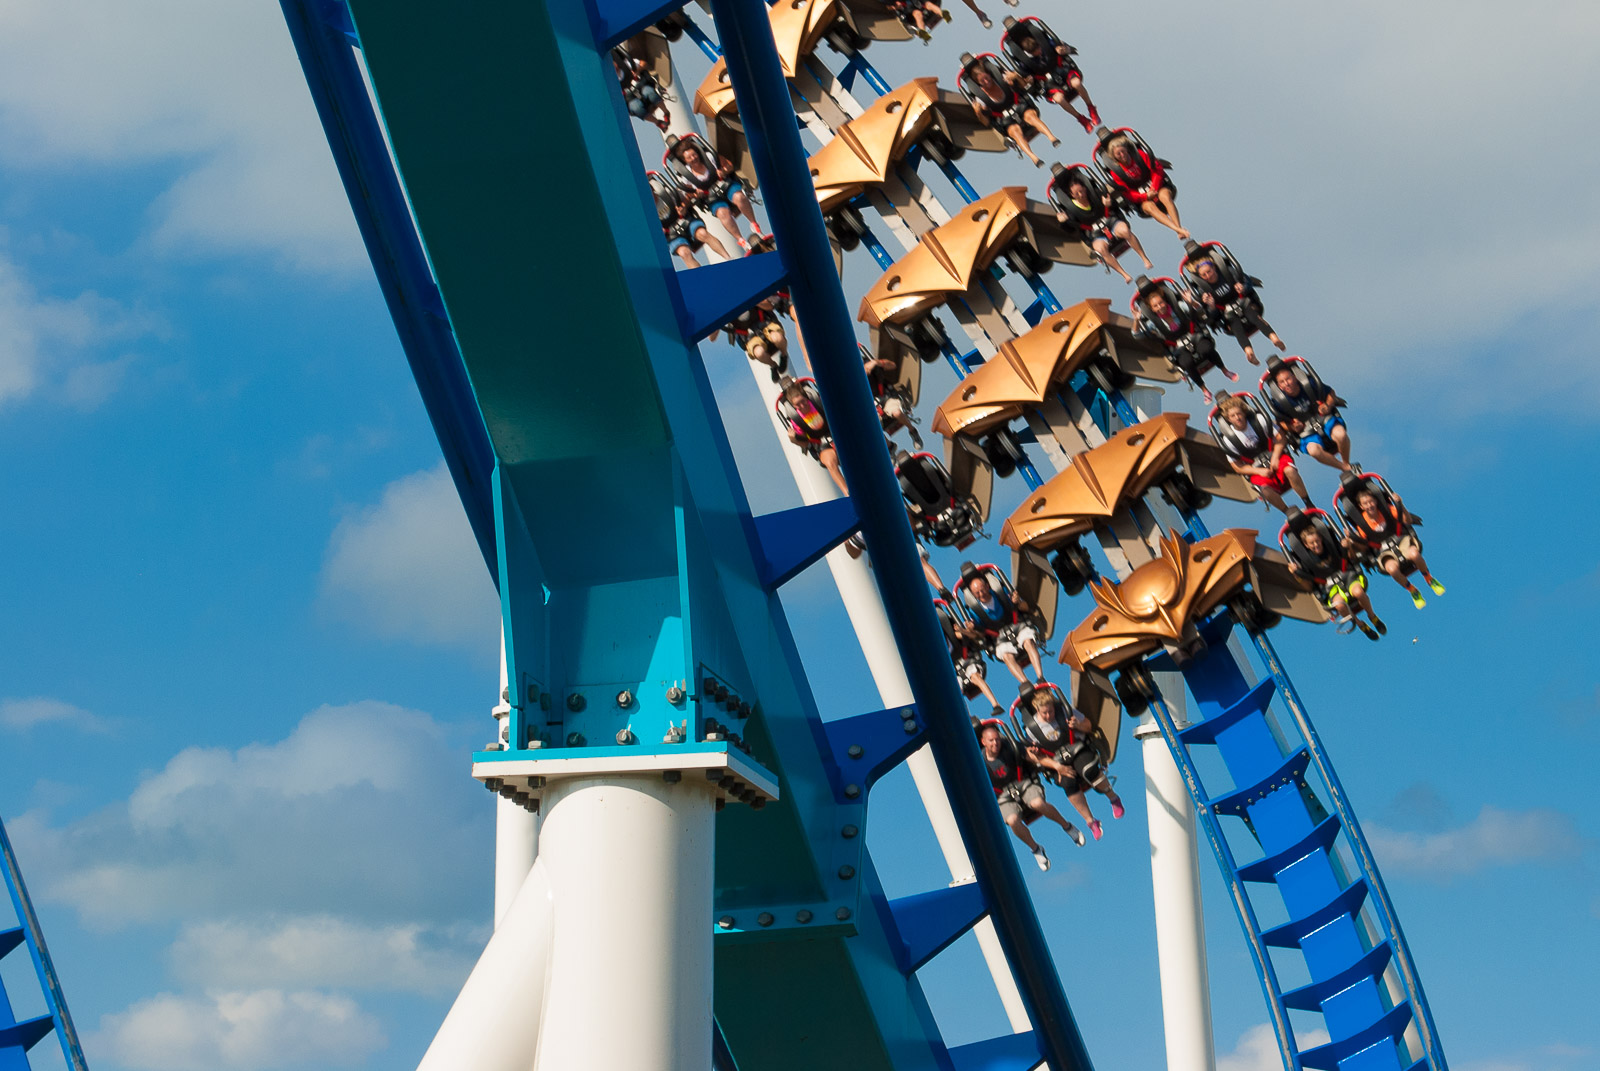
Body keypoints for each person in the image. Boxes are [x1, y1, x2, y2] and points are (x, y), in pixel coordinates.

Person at [1016, 684, 1125, 840]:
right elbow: (1036, 759)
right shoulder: (1031, 730)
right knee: (1068, 783)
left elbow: (1088, 725)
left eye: (1051, 711)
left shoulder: (1064, 710)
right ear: (1037, 709)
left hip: (1077, 749)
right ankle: (1091, 821)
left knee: (1089, 770)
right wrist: (1055, 765)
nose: (1049, 716)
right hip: (1057, 761)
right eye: (1045, 713)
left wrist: (1078, 725)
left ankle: (1113, 797)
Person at [979, 721, 1084, 871]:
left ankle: (1067, 826)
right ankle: (1036, 849)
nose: (996, 743)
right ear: (983, 742)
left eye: (997, 739)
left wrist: (1057, 766)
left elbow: (1032, 757)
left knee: (1037, 804)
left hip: (1024, 783)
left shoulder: (1009, 746)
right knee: (1013, 820)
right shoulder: (980, 762)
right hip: (1003, 795)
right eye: (991, 740)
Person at [1338, 475, 1444, 609]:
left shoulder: (1387, 509)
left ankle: (1429, 578)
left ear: (1376, 501)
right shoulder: (1362, 523)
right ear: (1361, 506)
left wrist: (1400, 504)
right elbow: (1364, 547)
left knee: (1414, 554)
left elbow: (1407, 520)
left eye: (1371, 502)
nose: (1370, 505)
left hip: (1401, 539)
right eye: (1365, 504)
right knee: (1392, 569)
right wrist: (1352, 540)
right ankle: (1412, 590)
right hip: (1383, 550)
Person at [1280, 509, 1385, 639]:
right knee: (1340, 605)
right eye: (1312, 543)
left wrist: (1348, 546)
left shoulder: (1331, 545)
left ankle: (1372, 616)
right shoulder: (1304, 559)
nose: (1316, 545)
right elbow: (1309, 587)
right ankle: (1360, 624)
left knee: (1358, 593)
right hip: (1329, 588)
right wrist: (1296, 575)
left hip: (1347, 576)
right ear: (1306, 545)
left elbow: (1352, 558)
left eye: (1317, 541)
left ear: (1321, 539)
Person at [1131, 278, 1238, 401]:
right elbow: (1136, 335)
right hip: (1177, 346)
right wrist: (1137, 320)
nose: (1160, 307)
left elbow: (1199, 310)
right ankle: (1204, 390)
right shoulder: (1153, 323)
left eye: (1161, 303)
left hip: (1193, 335)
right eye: (1155, 306)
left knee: (1206, 349)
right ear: (1152, 309)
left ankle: (1225, 370)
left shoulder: (1178, 306)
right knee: (1186, 363)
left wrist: (1190, 302)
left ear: (1165, 301)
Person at [1178, 243, 1284, 365]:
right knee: (1236, 326)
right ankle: (1249, 352)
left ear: (1214, 267)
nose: (1208, 276)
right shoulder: (1203, 291)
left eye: (1209, 271)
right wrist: (1212, 306)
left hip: (1245, 302)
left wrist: (1242, 287)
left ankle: (1274, 338)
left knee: (1252, 315)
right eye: (1204, 275)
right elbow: (1211, 317)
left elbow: (1247, 281)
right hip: (1227, 312)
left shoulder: (1229, 272)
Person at [1047, 164, 1152, 283]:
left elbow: (1110, 199)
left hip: (1110, 220)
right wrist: (1063, 222)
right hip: (1093, 233)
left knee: (1125, 231)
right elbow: (1071, 229)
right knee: (1100, 249)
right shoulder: (1069, 210)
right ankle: (1124, 275)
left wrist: (1109, 202)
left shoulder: (1094, 193)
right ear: (1072, 196)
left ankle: (1145, 259)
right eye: (1077, 194)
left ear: (1085, 188)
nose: (1081, 195)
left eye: (1081, 191)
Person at [1213, 393, 1311, 514]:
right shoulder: (1228, 440)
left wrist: (1275, 456)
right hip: (1256, 468)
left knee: (1290, 471)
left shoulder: (1259, 420)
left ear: (1244, 412)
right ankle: (1288, 512)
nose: (1237, 418)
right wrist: (1258, 471)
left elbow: (1281, 437)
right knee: (1265, 491)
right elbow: (1236, 466)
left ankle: (1308, 503)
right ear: (1228, 419)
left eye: (1239, 414)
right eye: (1233, 416)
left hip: (1276, 455)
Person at [1000, 17, 1100, 132]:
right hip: (1047, 81)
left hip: (1062, 69)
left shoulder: (1042, 40)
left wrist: (1064, 50)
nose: (1039, 52)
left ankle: (1091, 107)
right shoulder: (1022, 59)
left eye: (1038, 48)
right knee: (1059, 99)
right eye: (1035, 52)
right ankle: (1081, 118)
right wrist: (1025, 79)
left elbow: (1063, 46)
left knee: (1076, 83)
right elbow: (1026, 78)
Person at [961, 55, 1059, 168]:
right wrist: (978, 112)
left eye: (986, 77)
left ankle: (1052, 137)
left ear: (989, 74)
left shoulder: (1002, 78)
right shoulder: (980, 98)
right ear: (978, 83)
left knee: (1030, 116)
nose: (986, 81)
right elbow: (986, 123)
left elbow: (1025, 86)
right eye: (982, 81)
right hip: (1004, 118)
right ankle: (1034, 158)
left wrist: (1016, 77)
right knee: (1015, 131)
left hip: (1018, 105)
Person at [666, 135, 760, 249]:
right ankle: (741, 240)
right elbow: (689, 195)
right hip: (711, 197)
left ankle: (754, 224)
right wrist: (696, 194)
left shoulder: (709, 157)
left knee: (739, 197)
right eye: (689, 158)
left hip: (726, 185)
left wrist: (724, 171)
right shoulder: (686, 177)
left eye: (694, 155)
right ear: (685, 161)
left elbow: (729, 165)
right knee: (722, 214)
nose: (693, 158)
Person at [1260, 357, 1351, 472]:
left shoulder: (1309, 383)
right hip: (1306, 432)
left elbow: (1330, 393)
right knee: (1313, 451)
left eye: (1288, 379)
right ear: (1279, 386)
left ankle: (1346, 462)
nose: (1287, 383)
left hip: (1324, 419)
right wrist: (1293, 427)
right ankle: (1344, 468)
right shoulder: (1279, 402)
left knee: (1341, 434)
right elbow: (1280, 423)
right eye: (1282, 382)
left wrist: (1327, 405)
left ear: (1294, 377)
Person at [960, 563, 1045, 684]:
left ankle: (1040, 677)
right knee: (1006, 656)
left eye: (982, 590)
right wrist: (971, 630)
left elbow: (1026, 608)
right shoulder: (975, 611)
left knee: (1028, 641)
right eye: (977, 593)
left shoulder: (1001, 592)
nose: (981, 594)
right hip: (998, 637)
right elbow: (980, 636)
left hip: (1017, 625)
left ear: (988, 586)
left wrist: (1018, 602)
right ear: (973, 595)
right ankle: (1025, 683)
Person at [1095, 127, 1186, 238]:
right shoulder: (1116, 173)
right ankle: (1176, 229)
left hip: (1157, 186)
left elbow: (1157, 169)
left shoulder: (1140, 155)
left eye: (1123, 152)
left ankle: (1179, 228)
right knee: (1149, 207)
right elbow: (1127, 193)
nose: (1123, 156)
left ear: (1127, 149)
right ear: (1114, 157)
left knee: (1165, 196)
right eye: (1119, 154)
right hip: (1142, 198)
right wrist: (1145, 196)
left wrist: (1154, 187)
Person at [776, 377, 848, 495]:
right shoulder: (795, 418)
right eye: (798, 405)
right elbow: (805, 442)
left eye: (803, 401)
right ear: (794, 407)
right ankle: (847, 493)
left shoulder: (816, 399)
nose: (803, 406)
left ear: (806, 397)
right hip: (820, 443)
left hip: (837, 432)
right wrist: (794, 439)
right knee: (829, 462)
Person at [939, 598, 1005, 717]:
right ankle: (965, 717)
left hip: (967, 660)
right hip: (953, 670)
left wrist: (963, 631)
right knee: (955, 689)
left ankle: (996, 704)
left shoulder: (953, 635)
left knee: (975, 676)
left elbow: (973, 637)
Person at [656, 176, 731, 269]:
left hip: (684, 220)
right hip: (670, 234)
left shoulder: (668, 192)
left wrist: (683, 207)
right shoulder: (644, 212)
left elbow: (687, 197)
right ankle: (703, 277)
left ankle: (729, 258)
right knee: (684, 253)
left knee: (702, 234)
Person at [863, 346, 921, 448]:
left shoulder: (866, 364)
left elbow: (893, 365)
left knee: (896, 412)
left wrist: (876, 363)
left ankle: (912, 431)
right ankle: (889, 447)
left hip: (885, 398)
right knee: (873, 425)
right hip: (870, 408)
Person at [612, 47, 671, 132]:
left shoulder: (626, 64)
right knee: (636, 107)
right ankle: (658, 122)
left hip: (641, 88)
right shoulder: (612, 81)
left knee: (649, 92)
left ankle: (666, 112)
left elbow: (643, 63)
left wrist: (637, 71)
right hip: (631, 98)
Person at [887, 0, 952, 40]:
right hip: (908, 8)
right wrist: (896, 6)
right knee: (917, 14)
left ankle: (942, 13)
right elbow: (889, 7)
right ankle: (923, 32)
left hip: (919, 2)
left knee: (928, 5)